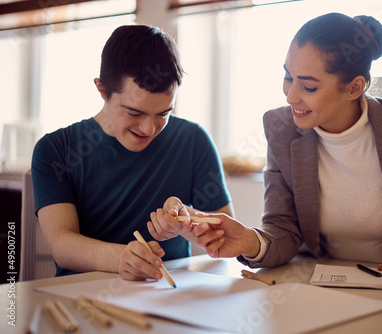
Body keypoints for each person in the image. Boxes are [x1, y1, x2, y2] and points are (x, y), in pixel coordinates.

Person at [185, 12, 382, 282]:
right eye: (288, 77)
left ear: (354, 87)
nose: (290, 96)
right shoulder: (281, 130)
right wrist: (251, 240)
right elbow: (283, 229)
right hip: (315, 286)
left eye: (308, 86)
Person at [31, 25, 233, 281]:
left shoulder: (193, 140)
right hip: (83, 297)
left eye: (163, 114)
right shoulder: (55, 149)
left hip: (169, 296)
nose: (148, 129)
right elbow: (62, 245)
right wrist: (121, 258)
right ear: (102, 89)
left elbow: (225, 231)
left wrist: (188, 223)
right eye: (134, 113)